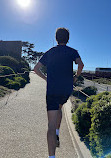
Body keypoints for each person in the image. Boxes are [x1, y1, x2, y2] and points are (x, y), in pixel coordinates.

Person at [34, 27, 84, 158]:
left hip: (52, 90)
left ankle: (52, 156)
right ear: (68, 39)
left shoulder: (50, 52)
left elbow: (36, 69)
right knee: (60, 107)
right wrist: (75, 77)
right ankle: (57, 131)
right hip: (66, 89)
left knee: (50, 123)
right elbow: (81, 65)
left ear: (56, 38)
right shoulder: (73, 52)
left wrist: (46, 79)